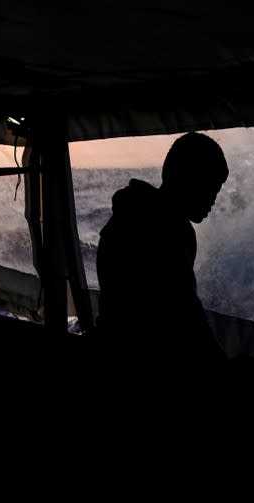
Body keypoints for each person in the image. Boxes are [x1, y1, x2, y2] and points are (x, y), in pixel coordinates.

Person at [95, 131, 228, 368]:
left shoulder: (129, 213)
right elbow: (186, 314)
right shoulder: (167, 230)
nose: (213, 199)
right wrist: (224, 368)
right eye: (210, 187)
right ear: (187, 179)